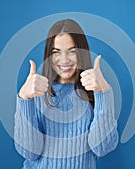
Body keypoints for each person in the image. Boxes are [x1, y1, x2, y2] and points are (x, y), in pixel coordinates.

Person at [14, 19, 118, 169]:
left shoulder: (95, 92)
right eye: (56, 52)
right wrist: (24, 98)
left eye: (72, 51)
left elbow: (103, 148)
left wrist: (103, 92)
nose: (64, 60)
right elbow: (29, 152)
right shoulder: (37, 91)